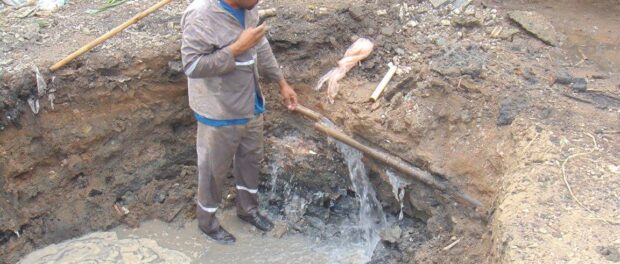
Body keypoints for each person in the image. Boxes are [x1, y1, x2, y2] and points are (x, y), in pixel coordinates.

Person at [181, 0, 298, 244]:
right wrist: (235, 49)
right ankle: (208, 223)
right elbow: (192, 65)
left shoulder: (249, 7)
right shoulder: (201, 15)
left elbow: (261, 44)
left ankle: (248, 210)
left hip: (250, 102)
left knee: (250, 159)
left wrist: (281, 82)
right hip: (219, 109)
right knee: (213, 170)